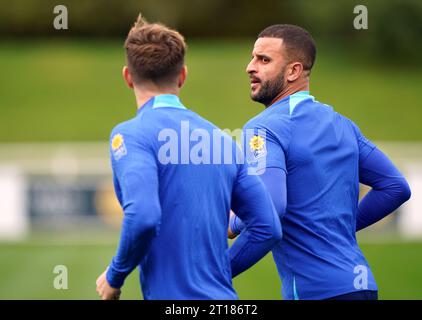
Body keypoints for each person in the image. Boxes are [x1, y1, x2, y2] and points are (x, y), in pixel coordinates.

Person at [95, 16, 282, 300]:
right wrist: (217, 274)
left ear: (127, 77)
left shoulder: (131, 135)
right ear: (182, 76)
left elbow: (143, 215)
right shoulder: (222, 140)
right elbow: (267, 226)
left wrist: (114, 275)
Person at [229, 24, 411, 300]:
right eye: (253, 57)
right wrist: (338, 229)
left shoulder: (264, 128)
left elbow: (269, 209)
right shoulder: (343, 125)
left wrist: (217, 266)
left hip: (316, 291)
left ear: (294, 71)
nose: (250, 67)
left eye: (263, 60)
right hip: (361, 286)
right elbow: (395, 187)